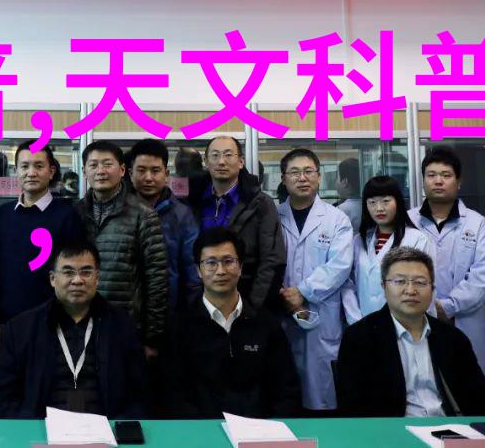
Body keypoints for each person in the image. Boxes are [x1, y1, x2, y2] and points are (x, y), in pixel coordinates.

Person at [336, 247, 485, 417]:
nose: (410, 290)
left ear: (432, 289)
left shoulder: (453, 339)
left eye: (420, 282)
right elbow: (353, 409)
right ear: (384, 286)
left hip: (451, 427)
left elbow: (483, 404)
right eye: (400, 281)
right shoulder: (360, 337)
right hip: (392, 430)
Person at [0, 240, 147, 419]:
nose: (77, 280)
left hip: (106, 429)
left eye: (86, 272)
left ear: (97, 278)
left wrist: (117, 429)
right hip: (41, 428)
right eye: (68, 272)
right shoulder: (21, 329)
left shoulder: (122, 327)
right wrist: (31, 429)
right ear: (52, 279)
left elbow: (139, 396)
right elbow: (4, 398)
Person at [162, 228, 300, 419]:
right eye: (211, 263)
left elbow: (286, 390)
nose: (220, 271)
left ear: (241, 267)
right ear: (198, 271)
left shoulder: (266, 325)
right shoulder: (180, 327)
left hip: (260, 430)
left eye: (228, 261)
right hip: (202, 431)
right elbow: (174, 396)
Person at [407, 147, 485, 391]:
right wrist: (425, 307)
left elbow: (483, 275)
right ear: (423, 181)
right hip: (415, 318)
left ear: (458, 182)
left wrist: (447, 307)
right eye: (431, 175)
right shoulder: (407, 221)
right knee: (423, 392)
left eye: (446, 175)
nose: (438, 181)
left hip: (464, 320)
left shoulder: (477, 224)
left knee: (469, 391)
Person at [275, 148, 353, 414]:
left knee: (320, 400)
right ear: (283, 179)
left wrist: (303, 292)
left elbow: (340, 265)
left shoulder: (337, 219)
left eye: (308, 171)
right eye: (294, 172)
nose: (302, 178)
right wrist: (283, 295)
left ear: (319, 177)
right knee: (283, 396)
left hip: (321, 315)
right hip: (280, 310)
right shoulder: (273, 216)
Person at [0, 140, 84, 350]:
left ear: (51, 171)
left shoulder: (67, 216)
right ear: (16, 171)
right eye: (24, 166)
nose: (31, 173)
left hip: (53, 324)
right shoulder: (2, 214)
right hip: (8, 323)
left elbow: (74, 273)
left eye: (39, 166)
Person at [75, 140, 168, 355]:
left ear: (123, 170)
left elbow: (157, 279)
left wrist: (152, 338)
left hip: (125, 326)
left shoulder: (143, 214)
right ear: (84, 172)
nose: (101, 171)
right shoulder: (76, 212)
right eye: (93, 165)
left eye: (107, 164)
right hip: (80, 323)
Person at [186, 136, 285, 312]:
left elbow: (272, 261)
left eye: (228, 155)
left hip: (245, 303)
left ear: (240, 162)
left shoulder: (260, 203)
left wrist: (252, 308)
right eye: (215, 155)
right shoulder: (191, 202)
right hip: (198, 306)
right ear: (206, 162)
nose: (221, 161)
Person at [342, 176, 436, 325]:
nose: (379, 208)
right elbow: (348, 284)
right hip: (362, 324)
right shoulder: (358, 241)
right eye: (372, 202)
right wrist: (356, 321)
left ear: (398, 202)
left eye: (386, 201)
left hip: (406, 324)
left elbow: (425, 286)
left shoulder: (417, 240)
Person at [127, 139, 201, 311]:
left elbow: (191, 268)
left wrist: (193, 310)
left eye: (155, 171)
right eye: (141, 170)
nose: (148, 178)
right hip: (125, 311)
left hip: (170, 310)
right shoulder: (119, 211)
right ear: (130, 173)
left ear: (166, 174)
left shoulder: (182, 215)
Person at [335, 158, 362, 232]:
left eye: (337, 178)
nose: (336, 183)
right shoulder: (367, 203)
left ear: (345, 182)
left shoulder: (341, 210)